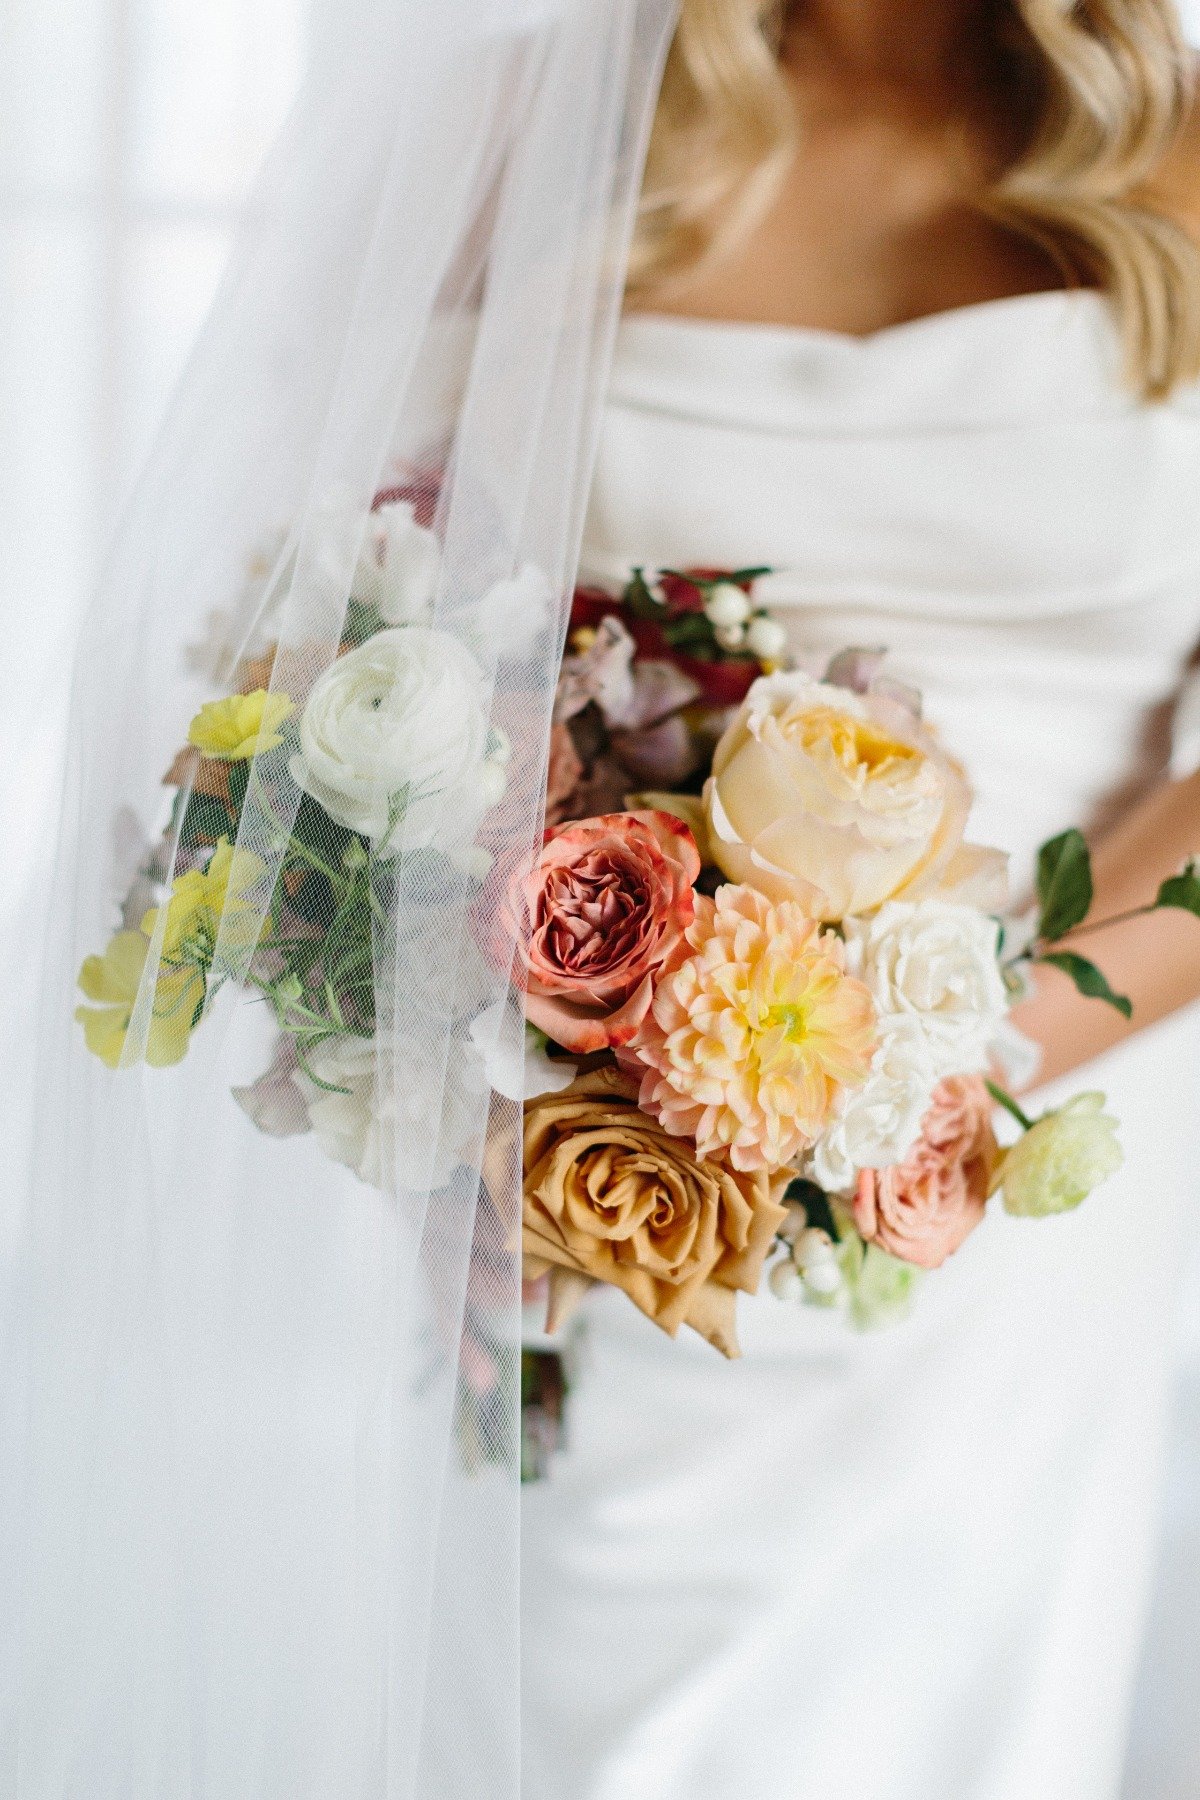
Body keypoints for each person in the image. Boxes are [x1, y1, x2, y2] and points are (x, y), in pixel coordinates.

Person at [521, 3, 1200, 1796]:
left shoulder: (1180, 161)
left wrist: (918, 1092)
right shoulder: (561, 138)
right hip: (596, 1190)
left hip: (1016, 1170)